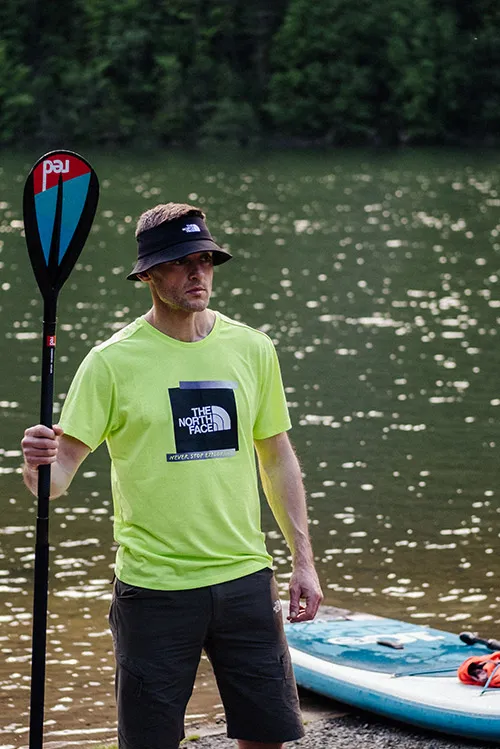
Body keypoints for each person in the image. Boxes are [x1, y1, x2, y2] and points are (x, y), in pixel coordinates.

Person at [21, 202, 323, 749]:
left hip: (245, 579)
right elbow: (57, 478)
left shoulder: (252, 348)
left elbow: (277, 457)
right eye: (181, 262)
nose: (197, 273)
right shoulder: (110, 362)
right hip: (154, 590)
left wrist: (303, 559)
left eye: (204, 260)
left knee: (267, 737)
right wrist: (37, 462)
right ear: (148, 275)